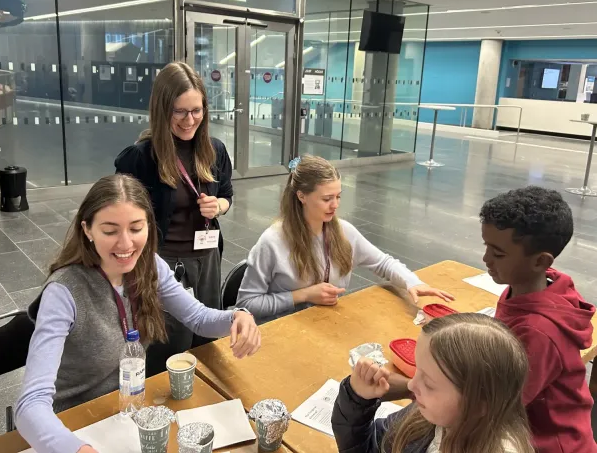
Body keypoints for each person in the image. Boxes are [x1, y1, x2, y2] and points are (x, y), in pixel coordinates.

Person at [15, 175, 259, 453]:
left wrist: (237, 317)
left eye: (136, 228)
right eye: (110, 231)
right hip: (72, 423)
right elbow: (30, 404)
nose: (125, 244)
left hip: (124, 412)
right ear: (88, 230)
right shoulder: (64, 291)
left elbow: (198, 318)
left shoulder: (150, 265)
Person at [115, 61, 233, 375]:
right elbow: (118, 211)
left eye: (196, 110)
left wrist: (218, 206)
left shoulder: (214, 150)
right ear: (162, 108)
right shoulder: (141, 157)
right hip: (163, 261)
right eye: (179, 111)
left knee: (207, 338)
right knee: (168, 344)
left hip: (206, 258)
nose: (189, 119)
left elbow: (228, 196)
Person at [235, 155, 453, 323]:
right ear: (301, 196)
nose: (335, 205)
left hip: (327, 324)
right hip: (282, 331)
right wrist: (303, 295)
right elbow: (247, 304)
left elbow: (383, 262)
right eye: (327, 198)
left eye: (338, 197)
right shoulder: (272, 241)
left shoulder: (343, 232)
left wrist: (412, 282)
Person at [480, 186, 597, 453]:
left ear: (540, 261)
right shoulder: (532, 283)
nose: (486, 259)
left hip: (550, 442)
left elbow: (499, 405)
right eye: (487, 246)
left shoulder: (539, 332)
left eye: (498, 254)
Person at [332, 313, 534, 453]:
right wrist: (357, 400)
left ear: (480, 403)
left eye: (428, 382)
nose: (411, 385)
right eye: (416, 370)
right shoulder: (424, 418)